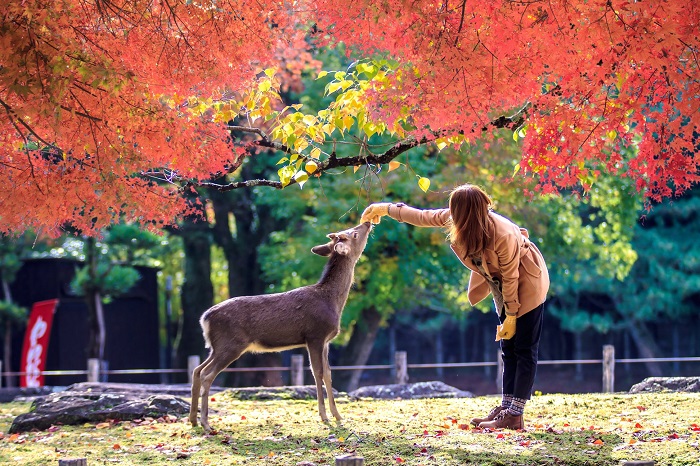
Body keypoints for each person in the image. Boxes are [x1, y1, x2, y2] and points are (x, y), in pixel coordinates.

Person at [360, 184, 549, 430]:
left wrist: (511, 315)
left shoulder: (503, 234)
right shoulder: (459, 219)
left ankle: (515, 414)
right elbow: (422, 216)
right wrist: (384, 209)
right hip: (501, 282)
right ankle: (506, 407)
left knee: (524, 348)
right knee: (507, 347)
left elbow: (512, 277)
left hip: (527, 279)